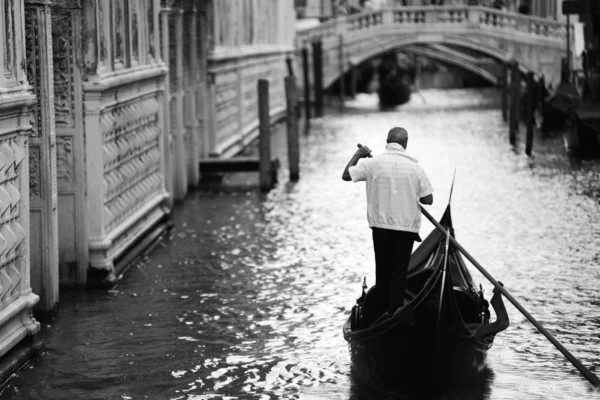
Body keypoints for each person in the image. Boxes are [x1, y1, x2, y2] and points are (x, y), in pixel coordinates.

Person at [342, 127, 433, 317]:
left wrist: (358, 154)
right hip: (405, 227)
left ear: (387, 141)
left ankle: (381, 311)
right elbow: (428, 200)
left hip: (380, 227)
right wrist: (410, 192)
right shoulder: (415, 168)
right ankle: (395, 311)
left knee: (383, 269)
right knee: (399, 271)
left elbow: (346, 175)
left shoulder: (373, 164)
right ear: (405, 142)